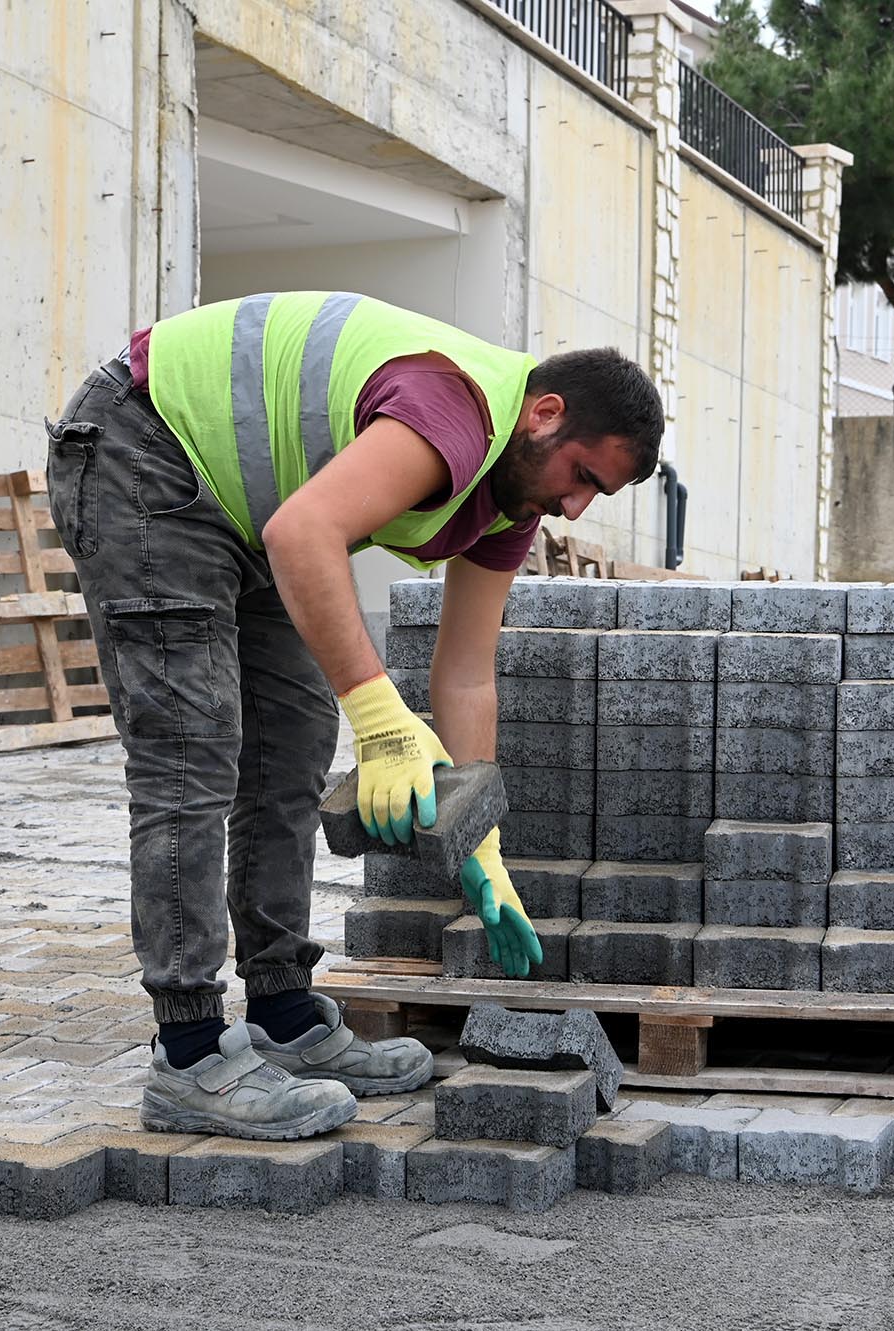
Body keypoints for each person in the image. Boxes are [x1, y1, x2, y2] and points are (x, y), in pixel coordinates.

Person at [45, 291, 664, 1141]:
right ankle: (188, 1052)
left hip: (244, 508)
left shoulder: (509, 498)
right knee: (192, 750)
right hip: (143, 446)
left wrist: (478, 837)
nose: (578, 507)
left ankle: (282, 1014)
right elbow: (305, 534)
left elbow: (466, 675)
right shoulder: (456, 412)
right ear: (545, 414)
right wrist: (379, 719)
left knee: (291, 743)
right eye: (584, 477)